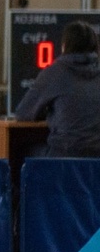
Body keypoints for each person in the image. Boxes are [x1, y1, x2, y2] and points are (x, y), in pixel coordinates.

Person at [14, 20, 100, 156]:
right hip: (96, 160)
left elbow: (23, 113)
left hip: (63, 157)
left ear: (64, 46)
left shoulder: (54, 72)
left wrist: (49, 112)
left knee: (21, 151)